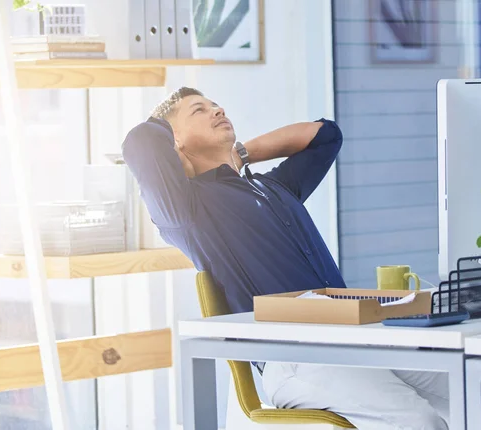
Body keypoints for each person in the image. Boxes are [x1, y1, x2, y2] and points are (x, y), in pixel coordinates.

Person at [122, 86, 449, 430]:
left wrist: (242, 154)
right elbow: (141, 140)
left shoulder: (273, 187)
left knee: (476, 392)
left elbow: (327, 137)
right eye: (198, 111)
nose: (217, 110)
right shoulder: (188, 210)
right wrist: (173, 146)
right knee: (418, 422)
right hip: (297, 358)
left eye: (216, 105)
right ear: (175, 141)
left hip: (358, 336)